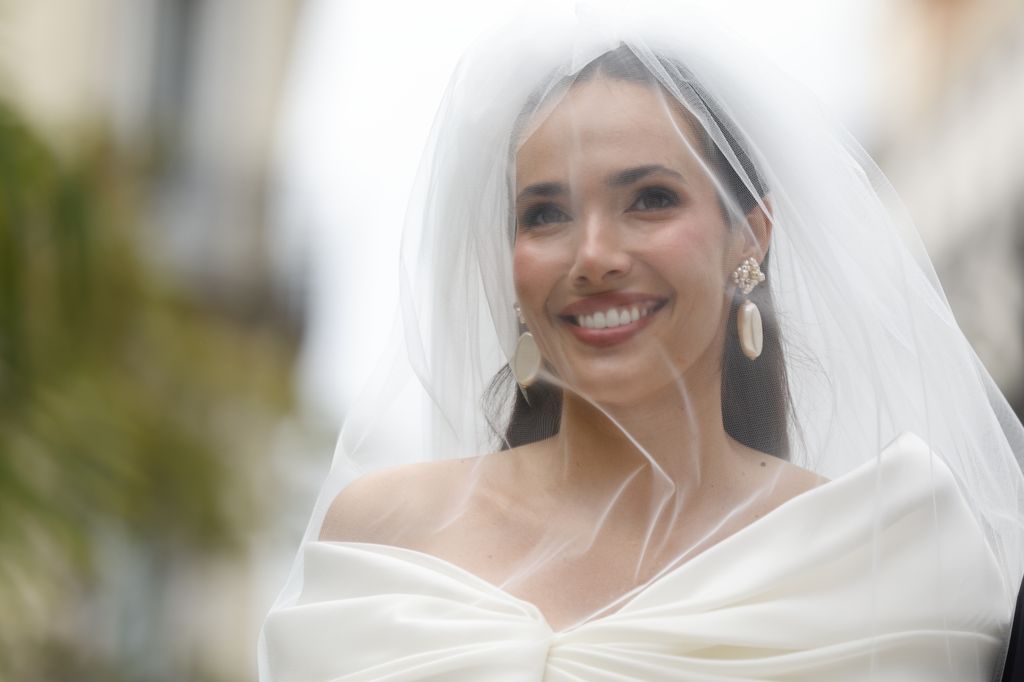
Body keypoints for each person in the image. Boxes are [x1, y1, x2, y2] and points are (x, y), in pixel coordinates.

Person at [259, 5, 1024, 680]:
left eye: (650, 199)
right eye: (546, 214)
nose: (593, 256)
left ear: (749, 238)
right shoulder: (386, 539)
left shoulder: (888, 560)